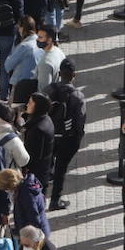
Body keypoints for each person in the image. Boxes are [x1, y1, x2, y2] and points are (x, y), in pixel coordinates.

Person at [44, 58, 85, 210]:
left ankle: (40, 195)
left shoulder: (48, 90)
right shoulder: (78, 97)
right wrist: (77, 138)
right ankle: (55, 200)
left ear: (59, 73)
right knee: (61, 169)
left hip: (48, 134)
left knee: (45, 165)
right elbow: (80, 122)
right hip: (68, 138)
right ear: (74, 75)